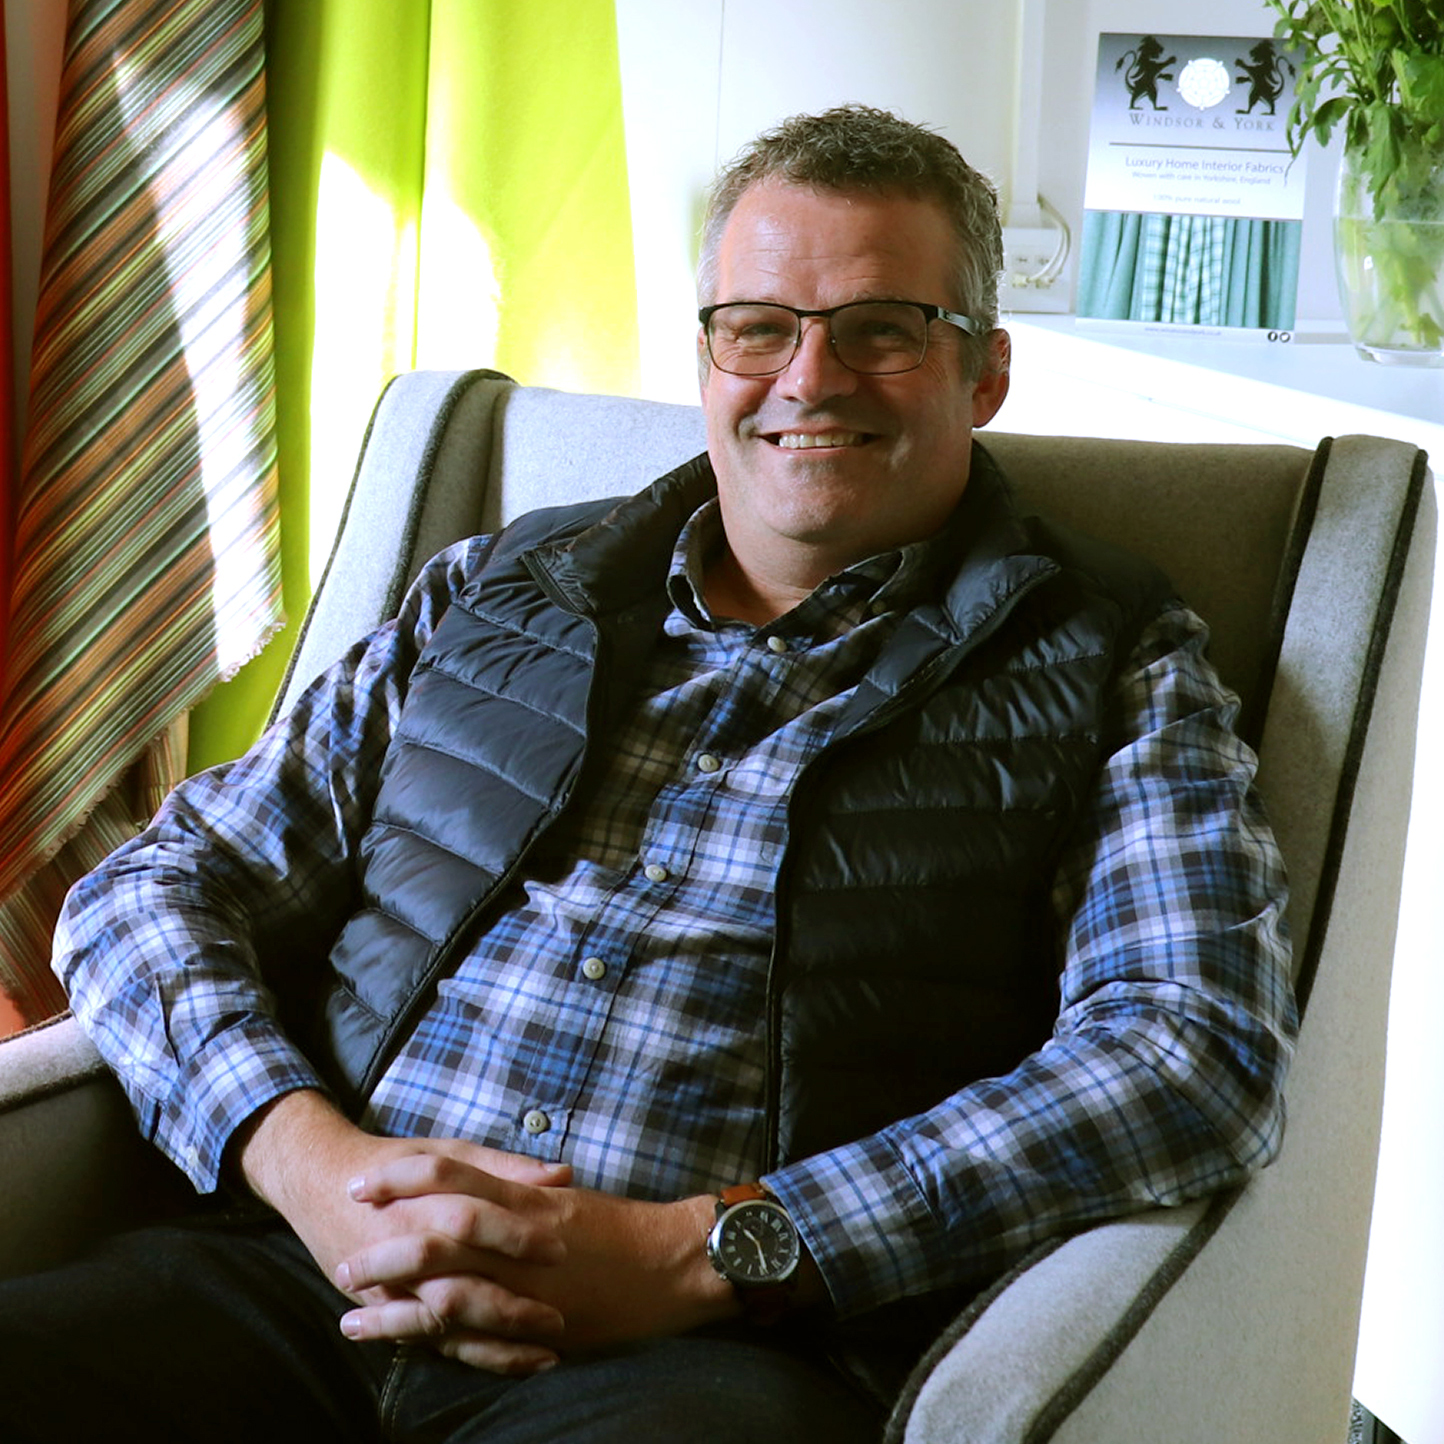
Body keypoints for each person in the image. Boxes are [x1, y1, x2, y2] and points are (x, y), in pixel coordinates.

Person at [0, 105, 1296, 1443]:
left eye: (882, 330)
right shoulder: (495, 590)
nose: (810, 378)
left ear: (985, 373)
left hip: (702, 1362)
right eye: (760, 328)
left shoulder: (1111, 658)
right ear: (708, 357)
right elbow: (157, 885)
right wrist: (313, 1168)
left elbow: (1189, 1050)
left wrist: (709, 1253)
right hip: (298, 1281)